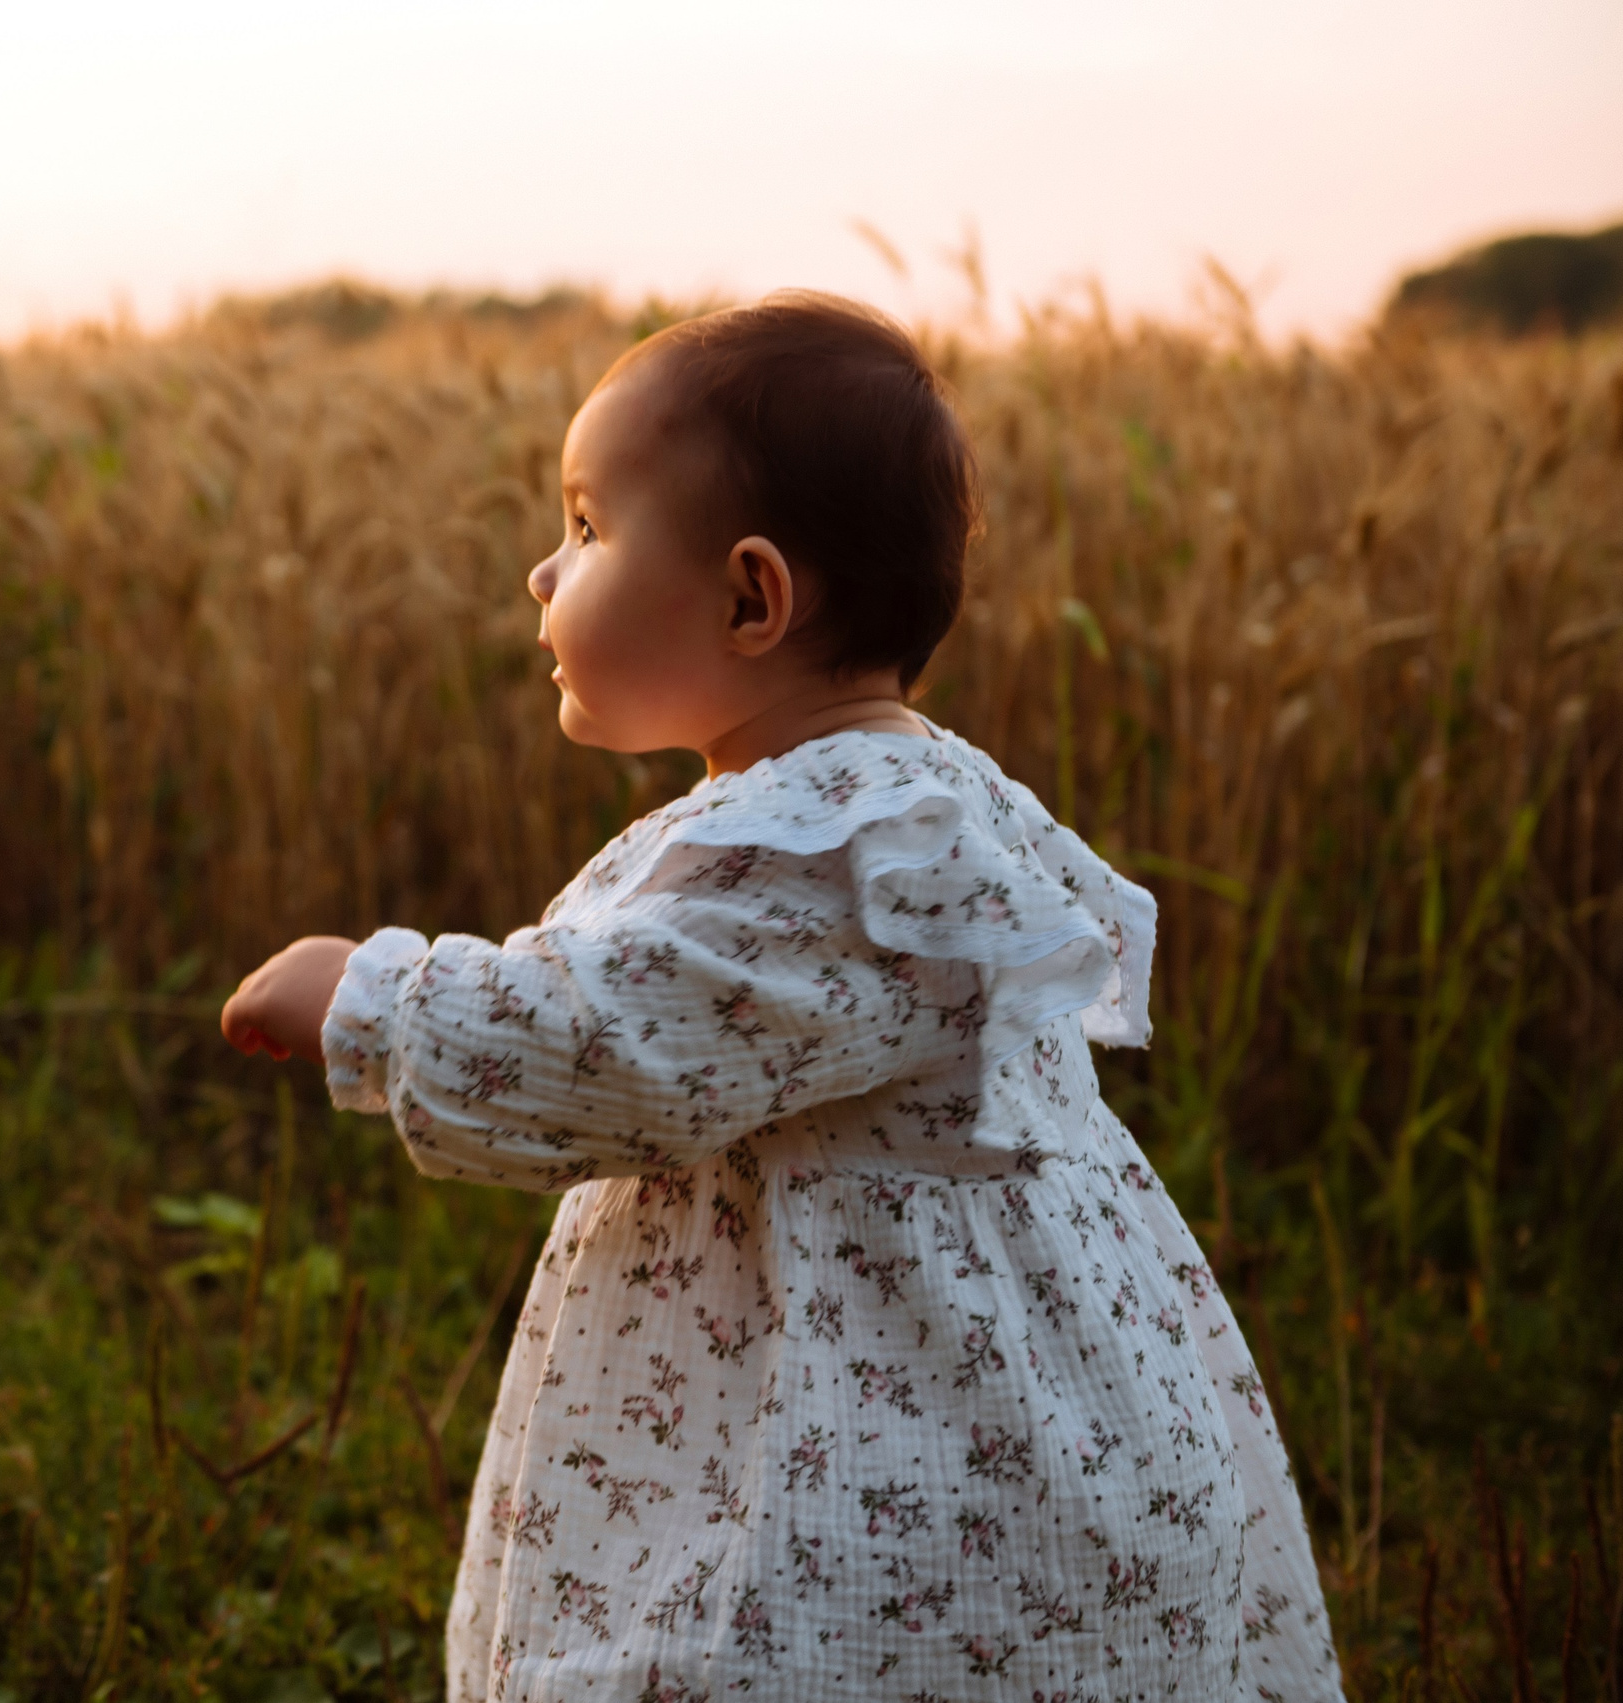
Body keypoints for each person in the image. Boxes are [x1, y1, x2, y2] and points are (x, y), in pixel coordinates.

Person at [220, 293, 1339, 1701]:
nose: (542, 573)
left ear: (752, 598)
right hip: (997, 1382)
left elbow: (619, 1047)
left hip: (877, 1429)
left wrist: (372, 997)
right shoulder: (906, 803)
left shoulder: (837, 849)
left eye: (586, 528)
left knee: (766, 1647)